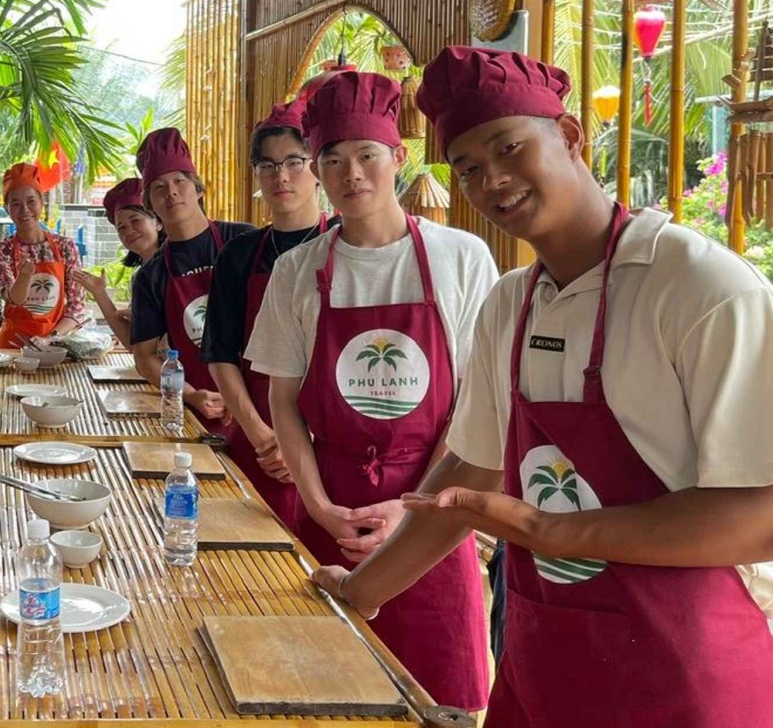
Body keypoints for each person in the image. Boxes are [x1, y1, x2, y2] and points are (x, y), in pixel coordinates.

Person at [313, 47, 773, 727]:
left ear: (570, 134)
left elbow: (760, 517)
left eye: (509, 147)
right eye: (468, 167)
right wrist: (360, 590)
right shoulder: (511, 303)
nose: (491, 179)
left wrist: (543, 527)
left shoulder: (699, 288)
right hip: (544, 666)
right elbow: (469, 469)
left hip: (684, 683)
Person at [246, 70, 493, 712]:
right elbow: (283, 400)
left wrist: (417, 509)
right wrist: (321, 505)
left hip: (439, 513)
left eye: (367, 156)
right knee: (327, 696)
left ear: (398, 159)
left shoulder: (460, 257)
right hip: (335, 516)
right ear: (318, 170)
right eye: (332, 159)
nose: (351, 173)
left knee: (446, 700)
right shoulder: (299, 270)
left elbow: (477, 405)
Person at [203, 96, 333, 528]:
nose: (281, 176)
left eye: (294, 161)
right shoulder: (239, 255)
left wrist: (308, 440)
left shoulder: (344, 243)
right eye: (268, 165)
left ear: (316, 166)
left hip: (333, 441)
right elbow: (220, 352)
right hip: (258, 440)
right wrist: (262, 436)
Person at [130, 128, 255, 434]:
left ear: (198, 189)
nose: (170, 192)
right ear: (151, 205)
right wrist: (190, 395)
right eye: (158, 187)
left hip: (264, 405)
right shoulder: (151, 276)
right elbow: (144, 357)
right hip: (206, 413)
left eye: (179, 181)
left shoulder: (244, 240)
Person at [0, 161, 88, 349]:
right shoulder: (0, 251)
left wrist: (51, 337)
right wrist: (24, 276)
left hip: (55, 347)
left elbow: (76, 306)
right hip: (12, 347)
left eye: (31, 201)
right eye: (15, 204)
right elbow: (15, 299)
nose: (24, 210)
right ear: (7, 209)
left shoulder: (65, 247)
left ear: (41, 203)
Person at [71, 177, 162, 348]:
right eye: (121, 227)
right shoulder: (140, 277)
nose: (129, 231)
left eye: (135, 220)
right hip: (159, 370)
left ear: (158, 222)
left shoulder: (178, 267)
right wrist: (99, 293)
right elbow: (132, 343)